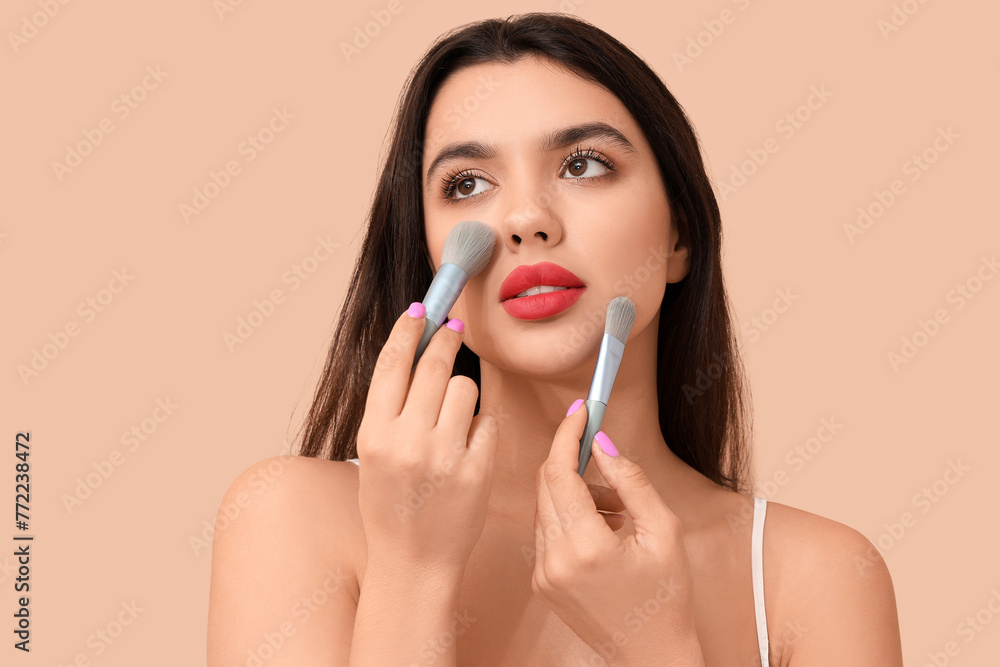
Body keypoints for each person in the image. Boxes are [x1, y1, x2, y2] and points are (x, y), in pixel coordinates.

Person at [207, 13, 904, 666]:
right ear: (428, 255)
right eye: (468, 182)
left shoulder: (819, 577)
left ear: (680, 235)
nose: (524, 219)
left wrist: (658, 642)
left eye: (583, 164)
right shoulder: (290, 519)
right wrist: (410, 570)